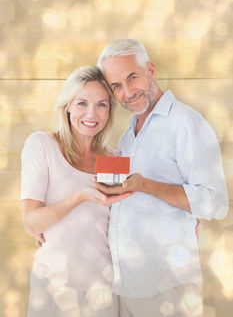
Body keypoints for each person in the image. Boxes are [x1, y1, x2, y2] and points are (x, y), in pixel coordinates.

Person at [95, 39, 229, 317]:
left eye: (132, 77)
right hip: (126, 286)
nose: (127, 92)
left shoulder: (186, 123)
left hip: (167, 288)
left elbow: (216, 203)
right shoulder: (128, 134)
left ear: (150, 70)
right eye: (116, 86)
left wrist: (148, 186)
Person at [20, 66, 130, 317]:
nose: (92, 114)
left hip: (103, 291)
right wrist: (80, 197)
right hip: (53, 288)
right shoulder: (42, 145)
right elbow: (31, 222)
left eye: (102, 105)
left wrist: (189, 216)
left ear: (109, 111)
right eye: (82, 103)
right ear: (67, 105)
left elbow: (132, 214)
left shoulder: (114, 158)